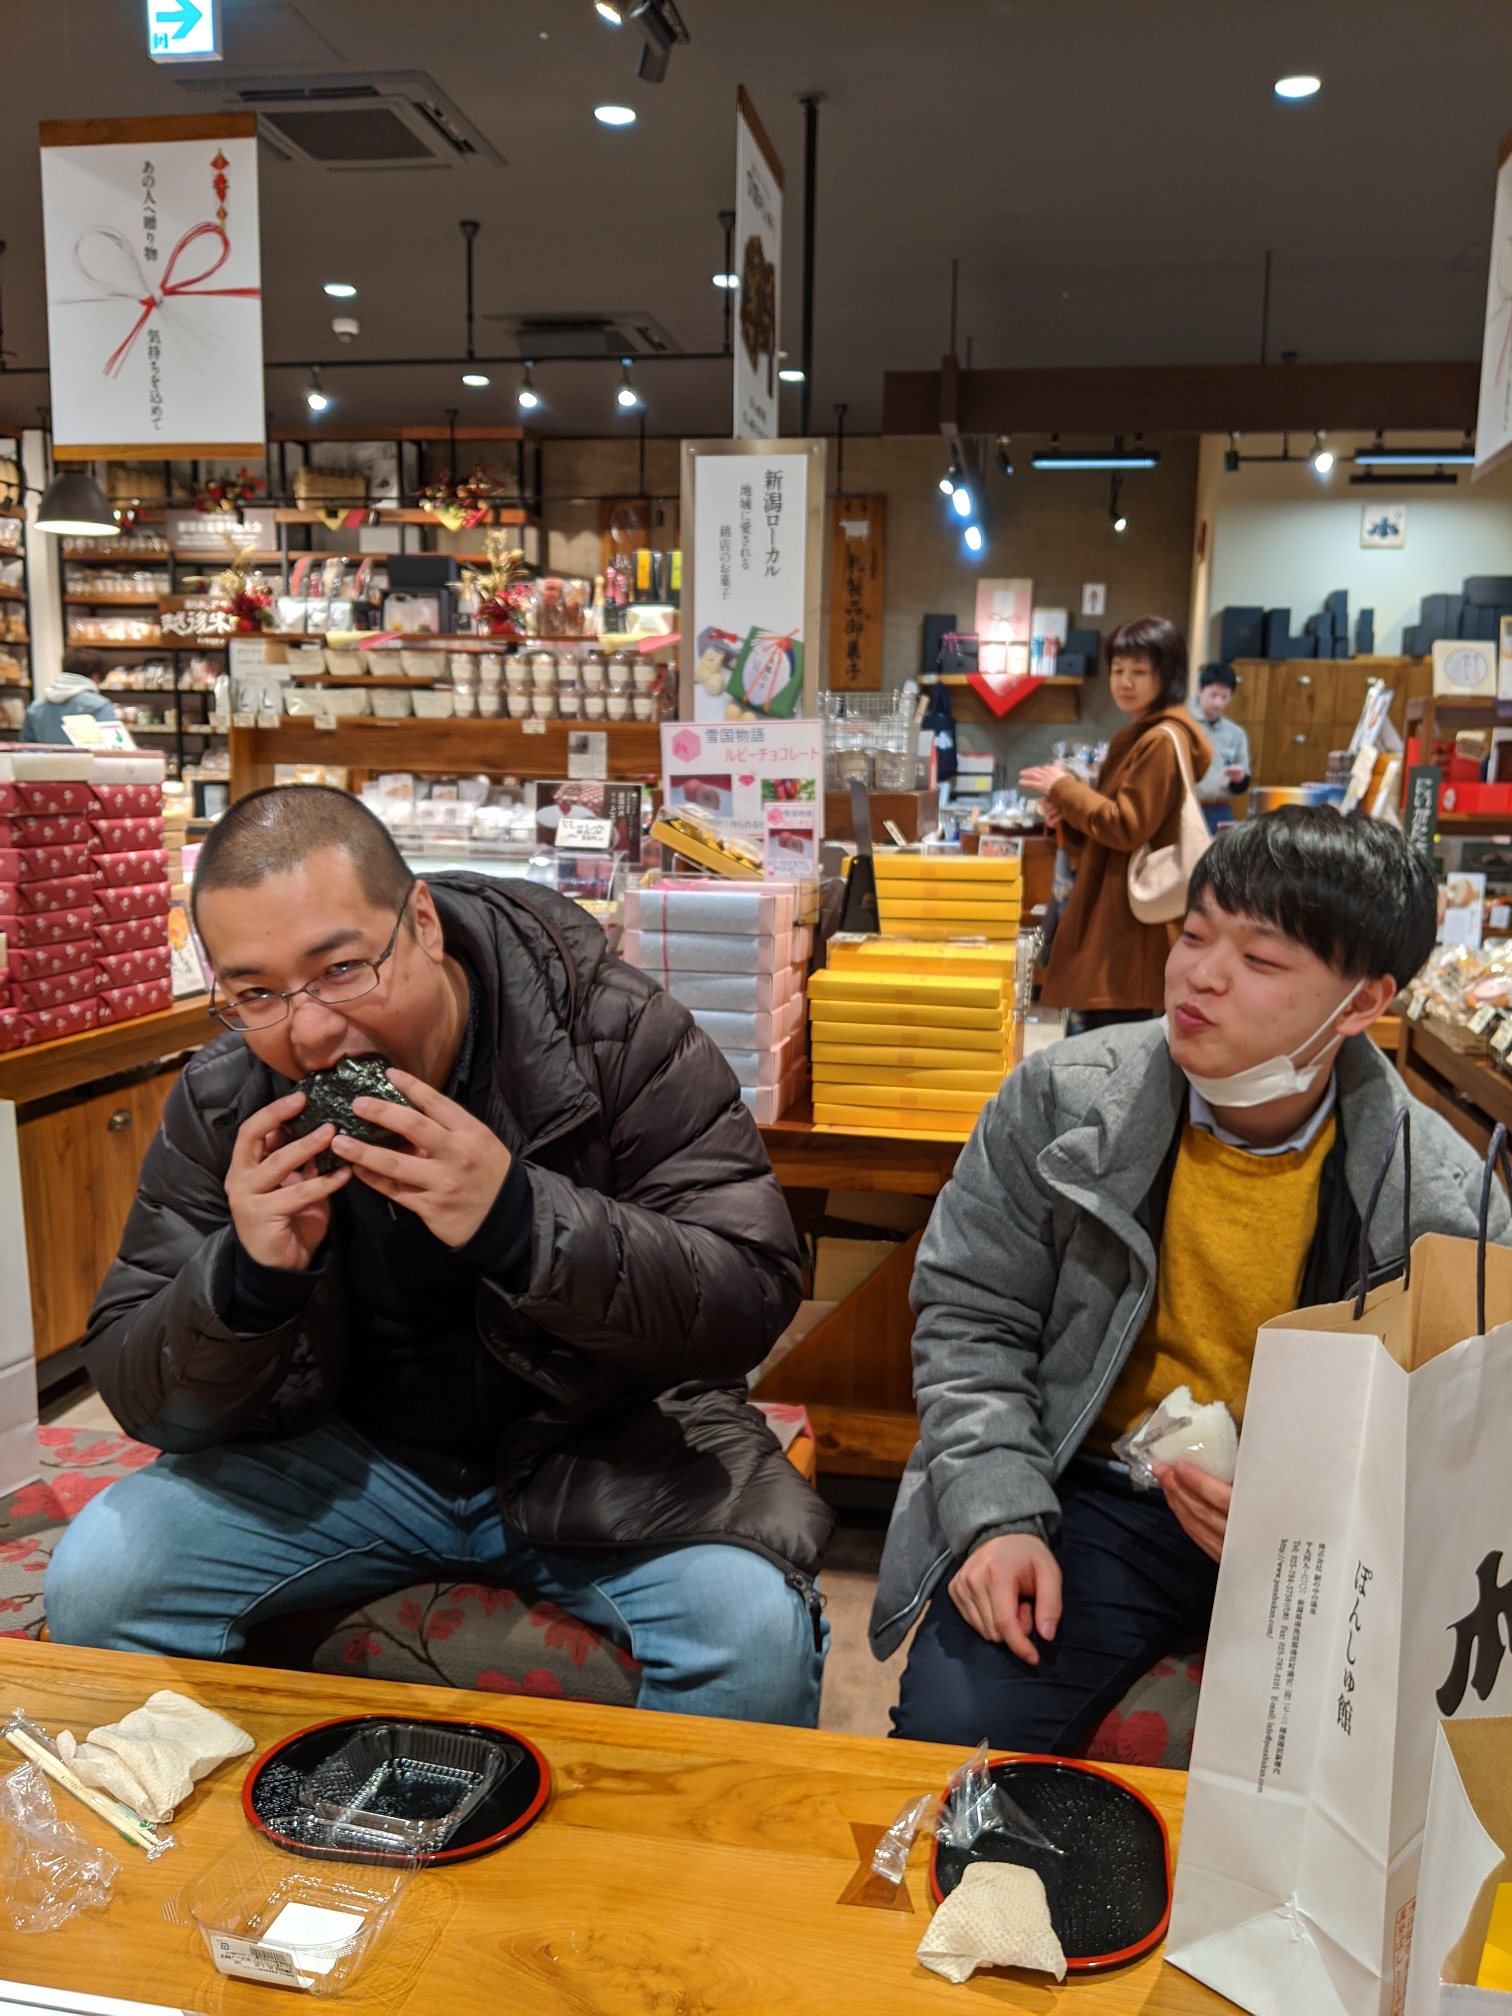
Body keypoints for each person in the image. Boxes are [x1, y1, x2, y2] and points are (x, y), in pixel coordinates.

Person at [46, 785, 831, 1726]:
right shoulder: (229, 1095)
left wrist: (521, 1221)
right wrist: (246, 1280)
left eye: (342, 969)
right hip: (341, 1457)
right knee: (102, 1576)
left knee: (753, 1634)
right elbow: (139, 1387)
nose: (310, 1031)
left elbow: (750, 1288)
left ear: (421, 922)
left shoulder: (612, 1031)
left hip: (605, 1440)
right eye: (256, 993)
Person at [873, 807, 1509, 1751]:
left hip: (1323, 1534)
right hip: (1096, 1491)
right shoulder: (1060, 1104)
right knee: (955, 1732)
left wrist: (1315, 1520)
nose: (1200, 976)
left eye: (1260, 959)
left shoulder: (1443, 1200)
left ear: (1362, 1003)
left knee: (1391, 1765)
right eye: (1196, 934)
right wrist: (997, 1514)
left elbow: (1467, 1444)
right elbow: (971, 1318)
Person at [1020, 616, 1209, 1032]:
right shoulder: (1142, 736)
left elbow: (1126, 826)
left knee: (1111, 1047)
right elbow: (1109, 831)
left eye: (1139, 671)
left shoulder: (1159, 740)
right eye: (1118, 669)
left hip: (1129, 933)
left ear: (1168, 674)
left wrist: (1064, 787)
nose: (1125, 681)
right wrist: (1064, 816)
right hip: (1120, 920)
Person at [1190, 662, 1252, 832]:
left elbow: (1242, 783)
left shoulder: (1236, 733)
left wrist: (1239, 778)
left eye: (1224, 697)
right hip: (1188, 807)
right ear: (1199, 690)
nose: (1218, 702)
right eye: (1213, 695)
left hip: (1220, 808)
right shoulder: (1184, 724)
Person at [20, 649, 117, 743]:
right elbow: (113, 746)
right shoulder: (99, 706)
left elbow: (26, 747)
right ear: (96, 677)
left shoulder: (36, 707)